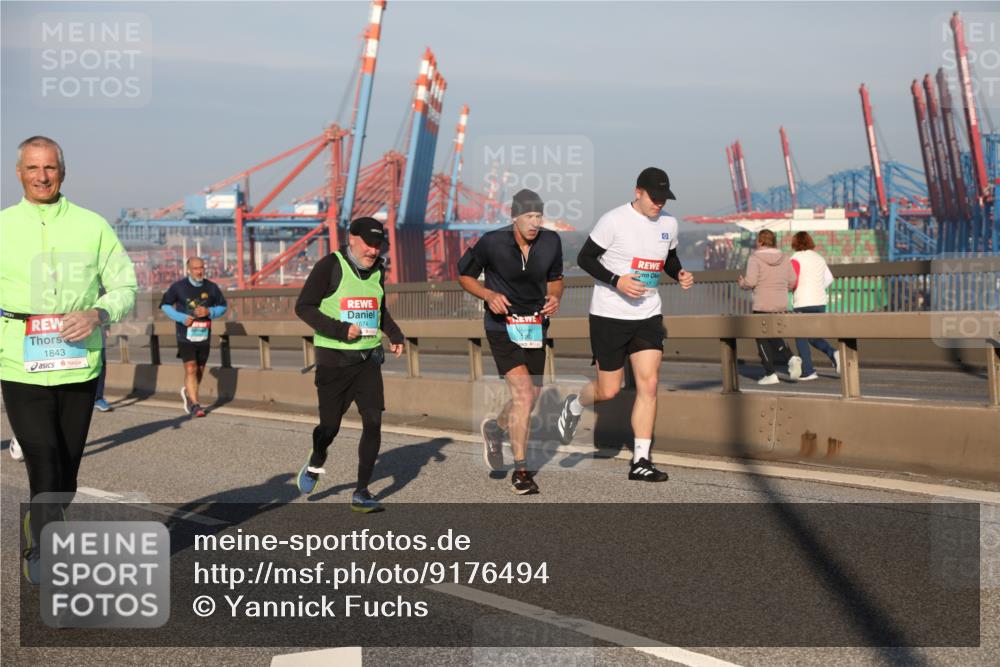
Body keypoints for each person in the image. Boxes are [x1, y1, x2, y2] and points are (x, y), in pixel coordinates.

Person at [0, 136, 137, 583]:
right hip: (19, 364)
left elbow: (125, 286)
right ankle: (44, 548)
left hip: (79, 364)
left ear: (63, 171)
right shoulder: (3, 227)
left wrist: (99, 312)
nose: (42, 176)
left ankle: (42, 520)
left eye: (50, 168)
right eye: (33, 168)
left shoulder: (92, 225)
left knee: (66, 474)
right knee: (42, 457)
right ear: (18, 173)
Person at [560, 167, 694, 482]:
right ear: (638, 192)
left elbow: (668, 258)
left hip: (648, 313)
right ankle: (575, 403)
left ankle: (641, 461)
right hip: (609, 314)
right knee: (609, 389)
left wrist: (680, 273)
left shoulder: (669, 223)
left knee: (648, 384)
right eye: (654, 197)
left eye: (664, 198)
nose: (659, 203)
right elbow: (585, 259)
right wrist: (616, 281)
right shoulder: (614, 220)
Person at [293, 217, 404, 513]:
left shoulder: (378, 271)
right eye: (369, 244)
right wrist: (341, 329)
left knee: (374, 422)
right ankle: (317, 459)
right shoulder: (330, 266)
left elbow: (378, 310)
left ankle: (362, 492)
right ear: (351, 238)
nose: (373, 250)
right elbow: (303, 306)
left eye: (378, 245)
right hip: (334, 361)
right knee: (330, 427)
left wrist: (394, 333)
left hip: (368, 360)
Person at [457, 189, 564, 495]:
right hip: (502, 327)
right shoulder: (492, 242)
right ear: (514, 217)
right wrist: (488, 295)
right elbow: (464, 275)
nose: (535, 223)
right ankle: (521, 471)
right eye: (529, 217)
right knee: (524, 395)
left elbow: (556, 277)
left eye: (539, 216)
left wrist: (555, 296)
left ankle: (495, 429)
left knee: (533, 394)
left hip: (534, 327)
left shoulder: (551, 241)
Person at [159, 257, 228, 418]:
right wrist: (181, 317)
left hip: (204, 335)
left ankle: (189, 393)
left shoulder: (211, 287)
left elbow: (223, 306)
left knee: (199, 370)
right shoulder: (178, 287)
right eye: (195, 268)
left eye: (201, 267)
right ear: (188, 269)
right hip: (185, 335)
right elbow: (165, 305)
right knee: (190, 367)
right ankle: (196, 404)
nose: (199, 271)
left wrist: (210, 312)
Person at [737, 229, 802, 385]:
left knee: (761, 338)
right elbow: (793, 281)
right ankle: (791, 358)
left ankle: (770, 373)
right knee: (774, 335)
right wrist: (781, 289)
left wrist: (742, 283)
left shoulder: (755, 258)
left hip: (762, 303)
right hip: (780, 302)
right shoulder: (785, 257)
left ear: (760, 242)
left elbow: (751, 282)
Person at [789, 231, 840, 380]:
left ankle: (808, 371)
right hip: (819, 302)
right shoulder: (819, 258)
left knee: (800, 336)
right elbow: (829, 279)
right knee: (812, 336)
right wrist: (817, 288)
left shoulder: (795, 258)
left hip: (802, 302)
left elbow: (792, 280)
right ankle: (833, 353)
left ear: (795, 243)